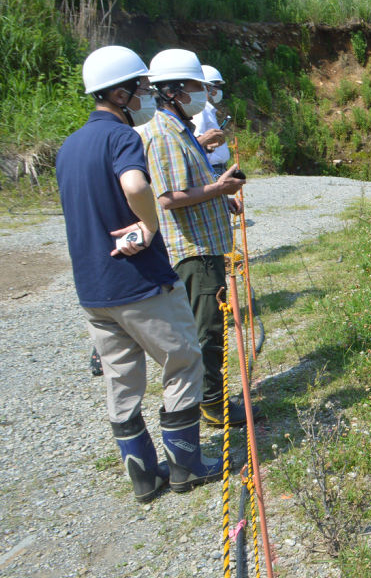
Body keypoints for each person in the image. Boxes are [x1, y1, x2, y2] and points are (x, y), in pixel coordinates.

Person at [57, 45, 223, 502]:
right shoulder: (121, 137)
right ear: (119, 93)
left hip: (93, 290)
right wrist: (148, 226)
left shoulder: (68, 147)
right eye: (141, 88)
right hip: (139, 283)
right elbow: (134, 184)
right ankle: (187, 465)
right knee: (183, 359)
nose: (146, 95)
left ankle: (145, 478)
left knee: (122, 379)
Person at [136, 48, 260, 428]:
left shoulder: (182, 130)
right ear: (173, 90)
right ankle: (212, 403)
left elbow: (190, 185)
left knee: (212, 326)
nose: (202, 93)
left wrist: (220, 198)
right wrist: (219, 191)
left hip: (205, 243)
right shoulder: (164, 134)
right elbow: (169, 197)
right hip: (193, 250)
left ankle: (211, 396)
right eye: (195, 86)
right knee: (208, 330)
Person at [192, 65, 230, 176]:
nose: (219, 91)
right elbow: (197, 139)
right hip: (211, 169)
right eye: (216, 86)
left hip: (217, 168)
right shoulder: (201, 109)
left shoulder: (207, 109)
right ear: (206, 87)